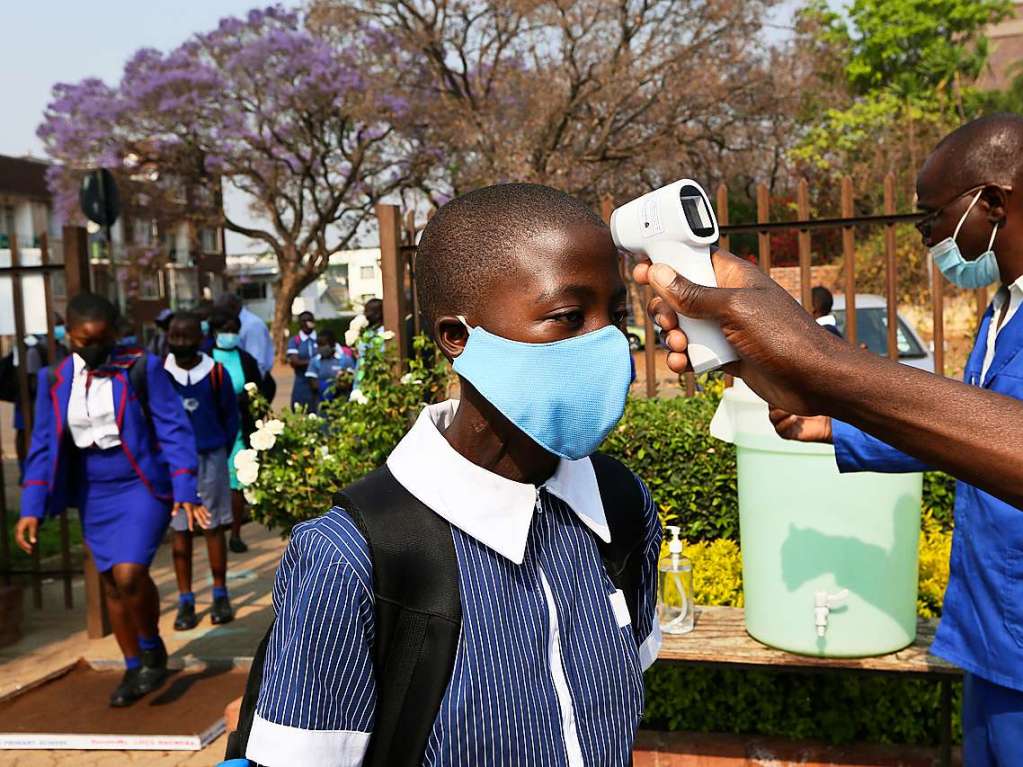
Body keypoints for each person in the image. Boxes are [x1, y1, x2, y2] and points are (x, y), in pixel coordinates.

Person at [637, 115, 1023, 767]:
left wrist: (822, 364)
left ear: (990, 201)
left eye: (931, 214)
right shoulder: (1000, 311)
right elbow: (967, 434)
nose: (924, 234)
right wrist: (831, 422)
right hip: (992, 634)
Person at [231, 184, 661, 767]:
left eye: (613, 315)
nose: (606, 342)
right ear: (456, 337)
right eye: (567, 316)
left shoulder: (621, 505)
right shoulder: (350, 560)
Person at [16, 293, 205, 707]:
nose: (91, 348)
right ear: (69, 337)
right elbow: (44, 444)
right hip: (92, 489)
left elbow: (174, 428)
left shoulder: (141, 368)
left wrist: (185, 488)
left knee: (129, 574)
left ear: (115, 334)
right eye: (82, 341)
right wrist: (30, 507)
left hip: (139, 483)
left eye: (100, 339)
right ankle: (134, 665)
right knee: (110, 585)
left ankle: (152, 646)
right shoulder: (55, 378)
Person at [164, 313, 239, 629]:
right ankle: (185, 600)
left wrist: (218, 446)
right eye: (175, 336)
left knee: (212, 527)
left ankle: (220, 594)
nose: (181, 343)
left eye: (188, 336)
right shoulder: (160, 374)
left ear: (201, 338)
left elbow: (230, 417)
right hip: (174, 464)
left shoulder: (215, 373)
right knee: (180, 531)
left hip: (210, 458)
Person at [210, 309, 274, 554]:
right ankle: (215, 528)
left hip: (238, 428)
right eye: (225, 330)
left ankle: (235, 533)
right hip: (213, 429)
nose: (230, 335)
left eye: (234, 330)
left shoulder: (245, 359)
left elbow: (260, 389)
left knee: (237, 481)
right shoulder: (205, 358)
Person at [216, 293, 275, 379]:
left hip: (252, 380)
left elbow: (258, 362)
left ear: (233, 307)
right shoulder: (230, 321)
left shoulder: (252, 325)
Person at [304, 328, 356, 408]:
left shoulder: (345, 360)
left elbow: (349, 382)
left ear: (333, 344)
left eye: (324, 345)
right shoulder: (315, 361)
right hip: (322, 405)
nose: (320, 348)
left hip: (342, 404)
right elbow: (313, 384)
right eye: (319, 345)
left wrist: (337, 387)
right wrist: (330, 387)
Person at [285, 311, 318, 409]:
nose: (306, 323)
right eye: (303, 321)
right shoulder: (295, 341)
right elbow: (295, 361)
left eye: (309, 320)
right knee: (300, 410)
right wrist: (315, 362)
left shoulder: (319, 338)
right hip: (301, 382)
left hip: (318, 382)